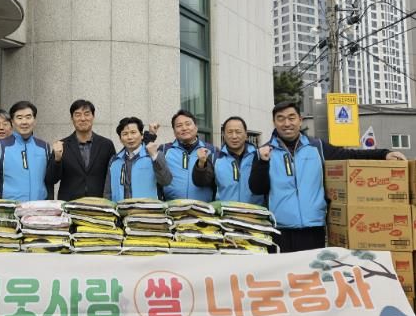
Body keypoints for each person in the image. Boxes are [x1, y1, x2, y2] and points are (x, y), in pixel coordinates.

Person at [249, 101, 407, 253]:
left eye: (291, 118)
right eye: (281, 119)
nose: (287, 123)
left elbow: (350, 155)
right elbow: (257, 189)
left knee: (312, 271)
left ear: (300, 120)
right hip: (279, 231)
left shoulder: (317, 147)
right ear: (274, 122)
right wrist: (263, 162)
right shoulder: (264, 152)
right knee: (286, 272)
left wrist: (384, 154)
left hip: (314, 229)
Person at [0, 101, 57, 201]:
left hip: (39, 207)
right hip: (10, 207)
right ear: (13, 122)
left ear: (35, 120)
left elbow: (49, 180)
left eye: (28, 117)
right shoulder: (0, 146)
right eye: (19, 118)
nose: (24, 122)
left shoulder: (43, 146)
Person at [52, 99, 116, 201]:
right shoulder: (62, 145)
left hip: (99, 203)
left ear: (93, 116)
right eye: (77, 115)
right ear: (72, 118)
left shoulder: (106, 145)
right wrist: (57, 159)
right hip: (70, 203)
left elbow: (113, 176)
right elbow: (52, 179)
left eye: (87, 114)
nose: (82, 118)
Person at [193, 116, 265, 205]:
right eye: (230, 132)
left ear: (246, 134)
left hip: (254, 211)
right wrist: (201, 164)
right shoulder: (214, 158)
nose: (234, 136)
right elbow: (201, 182)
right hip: (225, 212)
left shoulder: (259, 157)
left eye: (238, 132)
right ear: (224, 135)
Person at [104, 117, 172, 201]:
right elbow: (108, 192)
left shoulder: (154, 155)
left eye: (133, 132)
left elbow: (166, 181)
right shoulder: (114, 160)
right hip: (120, 208)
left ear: (142, 135)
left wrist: (155, 156)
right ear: (120, 139)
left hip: (148, 208)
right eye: (125, 134)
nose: (129, 137)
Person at [159, 110, 217, 201]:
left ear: (196, 127)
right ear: (174, 131)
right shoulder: (164, 150)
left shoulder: (212, 151)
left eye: (188, 124)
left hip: (203, 208)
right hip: (173, 207)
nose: (184, 128)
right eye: (179, 126)